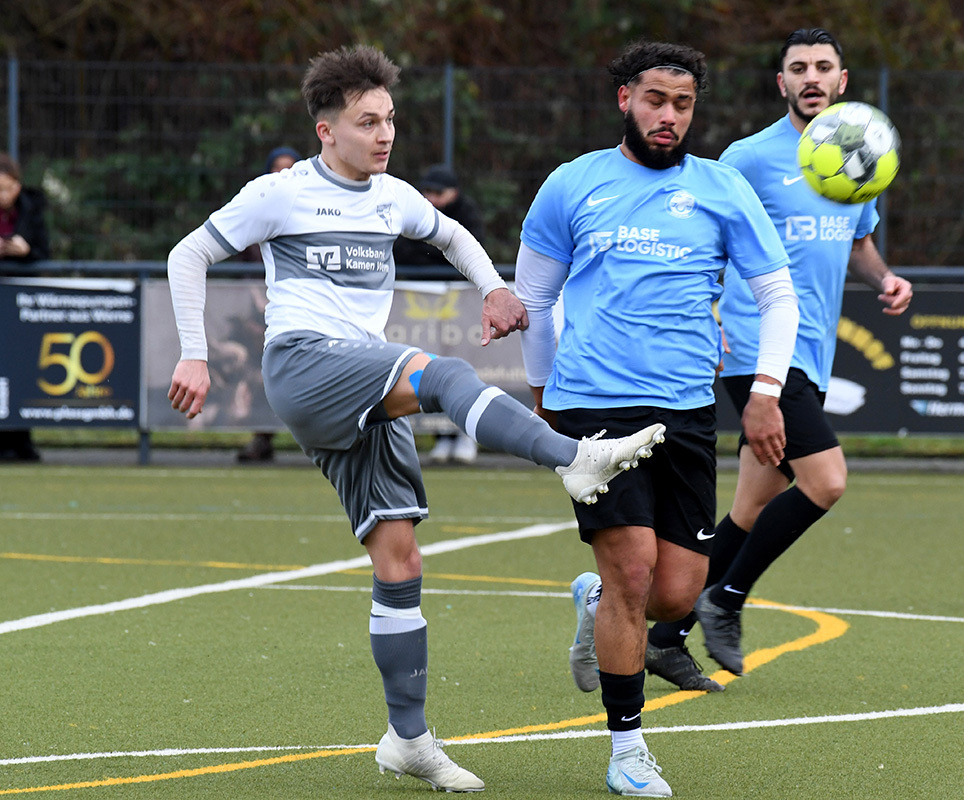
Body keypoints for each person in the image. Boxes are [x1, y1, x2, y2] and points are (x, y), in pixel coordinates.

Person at [166, 44, 666, 793]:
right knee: (448, 374)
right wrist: (194, 353)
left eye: (390, 118)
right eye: (368, 121)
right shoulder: (281, 193)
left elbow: (450, 235)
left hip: (360, 385)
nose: (384, 132)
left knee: (399, 563)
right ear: (326, 130)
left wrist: (496, 288)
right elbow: (187, 254)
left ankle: (407, 740)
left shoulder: (394, 195)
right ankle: (570, 456)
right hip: (305, 364)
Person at [516, 41, 800, 797]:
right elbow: (536, 301)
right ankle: (627, 748)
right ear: (625, 101)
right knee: (634, 572)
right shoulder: (572, 184)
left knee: (675, 596)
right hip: (592, 406)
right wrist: (542, 394)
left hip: (686, 411)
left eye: (682, 104)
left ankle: (595, 602)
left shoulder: (723, 189)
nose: (668, 116)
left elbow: (778, 297)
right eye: (654, 100)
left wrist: (765, 391)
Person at [643, 28, 913, 689]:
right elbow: (703, 238)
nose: (811, 76)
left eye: (824, 67)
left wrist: (885, 282)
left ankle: (661, 634)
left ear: (842, 81)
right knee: (825, 481)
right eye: (799, 68)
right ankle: (725, 601)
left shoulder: (858, 151)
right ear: (781, 83)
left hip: (813, 350)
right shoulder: (748, 159)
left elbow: (858, 241)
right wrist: (700, 315)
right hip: (757, 345)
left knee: (750, 507)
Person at [394, 163, 488, 465]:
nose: (431, 198)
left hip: (460, 306)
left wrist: (430, 254)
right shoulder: (416, 212)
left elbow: (470, 253)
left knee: (462, 365)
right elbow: (402, 251)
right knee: (427, 367)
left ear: (455, 193)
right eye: (428, 191)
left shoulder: (468, 216)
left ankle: (465, 435)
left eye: (438, 192)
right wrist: (440, 254)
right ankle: (441, 436)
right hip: (420, 307)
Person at [236, 146, 303, 463]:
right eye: (277, 168)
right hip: (263, 316)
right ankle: (262, 437)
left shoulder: (312, 212)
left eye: (290, 168)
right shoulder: (255, 209)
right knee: (263, 374)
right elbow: (243, 264)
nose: (282, 175)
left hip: (306, 312)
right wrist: (257, 298)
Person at [0, 153, 52, 462]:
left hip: (22, 304)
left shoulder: (31, 211)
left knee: (22, 369)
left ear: (18, 186)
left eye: (7, 189)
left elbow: (46, 251)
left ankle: (21, 441)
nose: (3, 196)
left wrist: (26, 250)